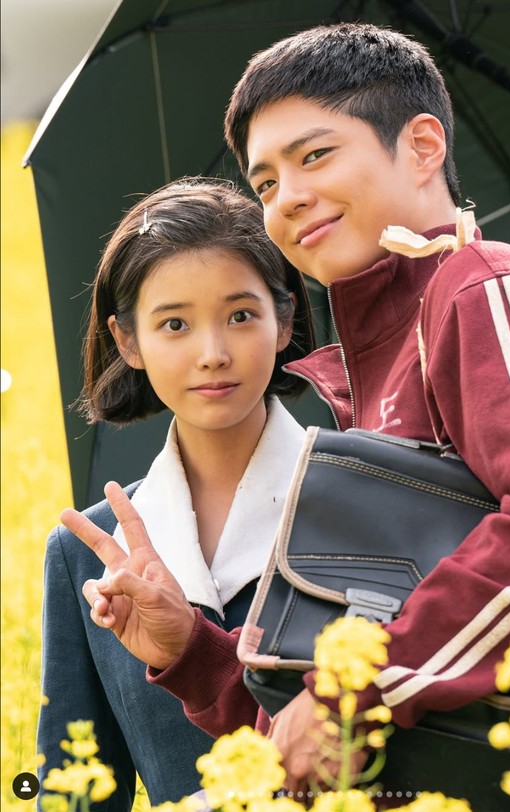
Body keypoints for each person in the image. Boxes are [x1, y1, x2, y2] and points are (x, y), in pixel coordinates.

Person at [60, 23, 510, 805]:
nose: (288, 197)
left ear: (423, 145)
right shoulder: (371, 375)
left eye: (314, 156)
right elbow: (333, 743)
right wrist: (196, 653)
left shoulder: (487, 289)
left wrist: (351, 694)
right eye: (264, 182)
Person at [38, 178, 315, 810]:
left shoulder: (364, 496)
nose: (212, 353)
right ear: (128, 340)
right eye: (175, 324)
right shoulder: (85, 552)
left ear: (285, 320)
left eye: (240, 315)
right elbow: (73, 791)